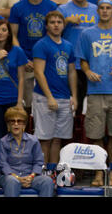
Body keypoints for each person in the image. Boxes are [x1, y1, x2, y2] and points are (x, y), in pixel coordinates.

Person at [75, 0, 112, 186]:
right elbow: (82, 60)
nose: (105, 11)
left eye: (108, 8)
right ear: (97, 11)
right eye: (102, 8)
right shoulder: (87, 34)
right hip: (95, 90)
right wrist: (88, 71)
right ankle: (99, 172)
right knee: (95, 133)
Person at [32, 11, 78, 164]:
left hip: (64, 97)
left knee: (58, 139)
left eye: (59, 22)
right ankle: (43, 173)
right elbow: (38, 72)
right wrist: (50, 97)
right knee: (45, 139)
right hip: (45, 97)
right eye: (52, 22)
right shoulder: (41, 45)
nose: (56, 25)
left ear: (64, 25)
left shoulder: (68, 46)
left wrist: (74, 96)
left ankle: (52, 173)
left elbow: (71, 72)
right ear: (46, 26)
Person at [9, 0, 57, 116]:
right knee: (27, 101)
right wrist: (24, 59)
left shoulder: (51, 6)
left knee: (46, 99)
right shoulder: (17, 8)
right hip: (25, 61)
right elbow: (13, 35)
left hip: (46, 59)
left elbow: (54, 34)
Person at [0, 19, 28, 157]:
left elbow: (21, 78)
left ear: (9, 33)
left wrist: (20, 101)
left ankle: (15, 162)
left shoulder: (17, 51)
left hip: (12, 98)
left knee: (15, 133)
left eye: (4, 30)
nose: (0, 33)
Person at [58, 0, 98, 116]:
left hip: (90, 63)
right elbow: (52, 30)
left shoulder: (95, 10)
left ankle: (85, 135)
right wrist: (66, 21)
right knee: (70, 103)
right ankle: (70, 134)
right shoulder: (63, 9)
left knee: (89, 105)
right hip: (69, 63)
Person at [0, 106, 55, 197]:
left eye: (19, 121)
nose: (16, 124)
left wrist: (31, 176)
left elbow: (38, 162)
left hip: (30, 177)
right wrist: (17, 178)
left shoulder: (33, 140)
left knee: (47, 181)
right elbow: (3, 164)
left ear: (24, 125)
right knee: (12, 181)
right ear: (8, 125)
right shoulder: (3, 142)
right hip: (10, 177)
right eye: (12, 121)